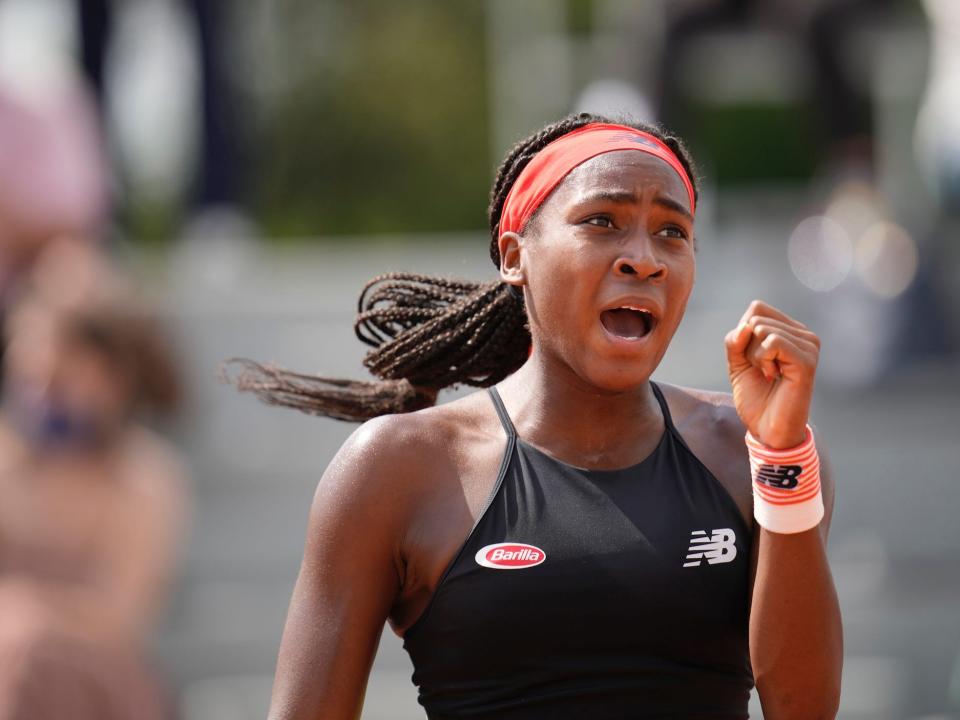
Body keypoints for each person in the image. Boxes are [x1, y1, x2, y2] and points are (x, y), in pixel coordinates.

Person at [232, 113, 842, 719]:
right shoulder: (397, 468)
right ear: (514, 256)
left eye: (672, 233)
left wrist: (784, 457)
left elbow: (803, 708)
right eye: (602, 221)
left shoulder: (754, 453)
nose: (644, 258)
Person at [0, 255, 189, 720]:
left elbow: (121, 619)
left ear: (114, 381)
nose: (45, 397)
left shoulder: (147, 480)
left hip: (97, 685)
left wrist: (26, 617)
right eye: (33, 379)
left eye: (61, 382)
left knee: (30, 660)